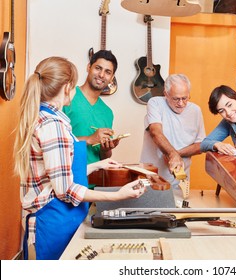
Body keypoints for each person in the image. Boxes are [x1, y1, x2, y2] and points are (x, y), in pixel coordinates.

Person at [13, 57, 147, 260]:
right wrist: (118, 195)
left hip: (61, 220)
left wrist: (96, 165)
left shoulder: (48, 118)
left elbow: (58, 172)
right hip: (53, 223)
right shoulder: (53, 126)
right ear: (67, 87)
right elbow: (65, 188)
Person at [140, 74, 206, 201]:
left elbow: (200, 145)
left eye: (185, 98)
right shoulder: (155, 103)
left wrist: (174, 155)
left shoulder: (196, 111)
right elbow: (155, 132)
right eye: (176, 99)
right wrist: (172, 154)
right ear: (166, 93)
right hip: (151, 180)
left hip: (179, 184)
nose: (181, 103)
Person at [63, 50, 120, 171]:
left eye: (108, 72)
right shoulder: (66, 97)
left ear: (112, 78)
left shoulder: (107, 113)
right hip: (67, 178)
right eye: (98, 68)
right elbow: (54, 141)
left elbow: (103, 157)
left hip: (95, 182)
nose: (101, 75)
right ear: (88, 67)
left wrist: (106, 149)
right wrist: (89, 139)